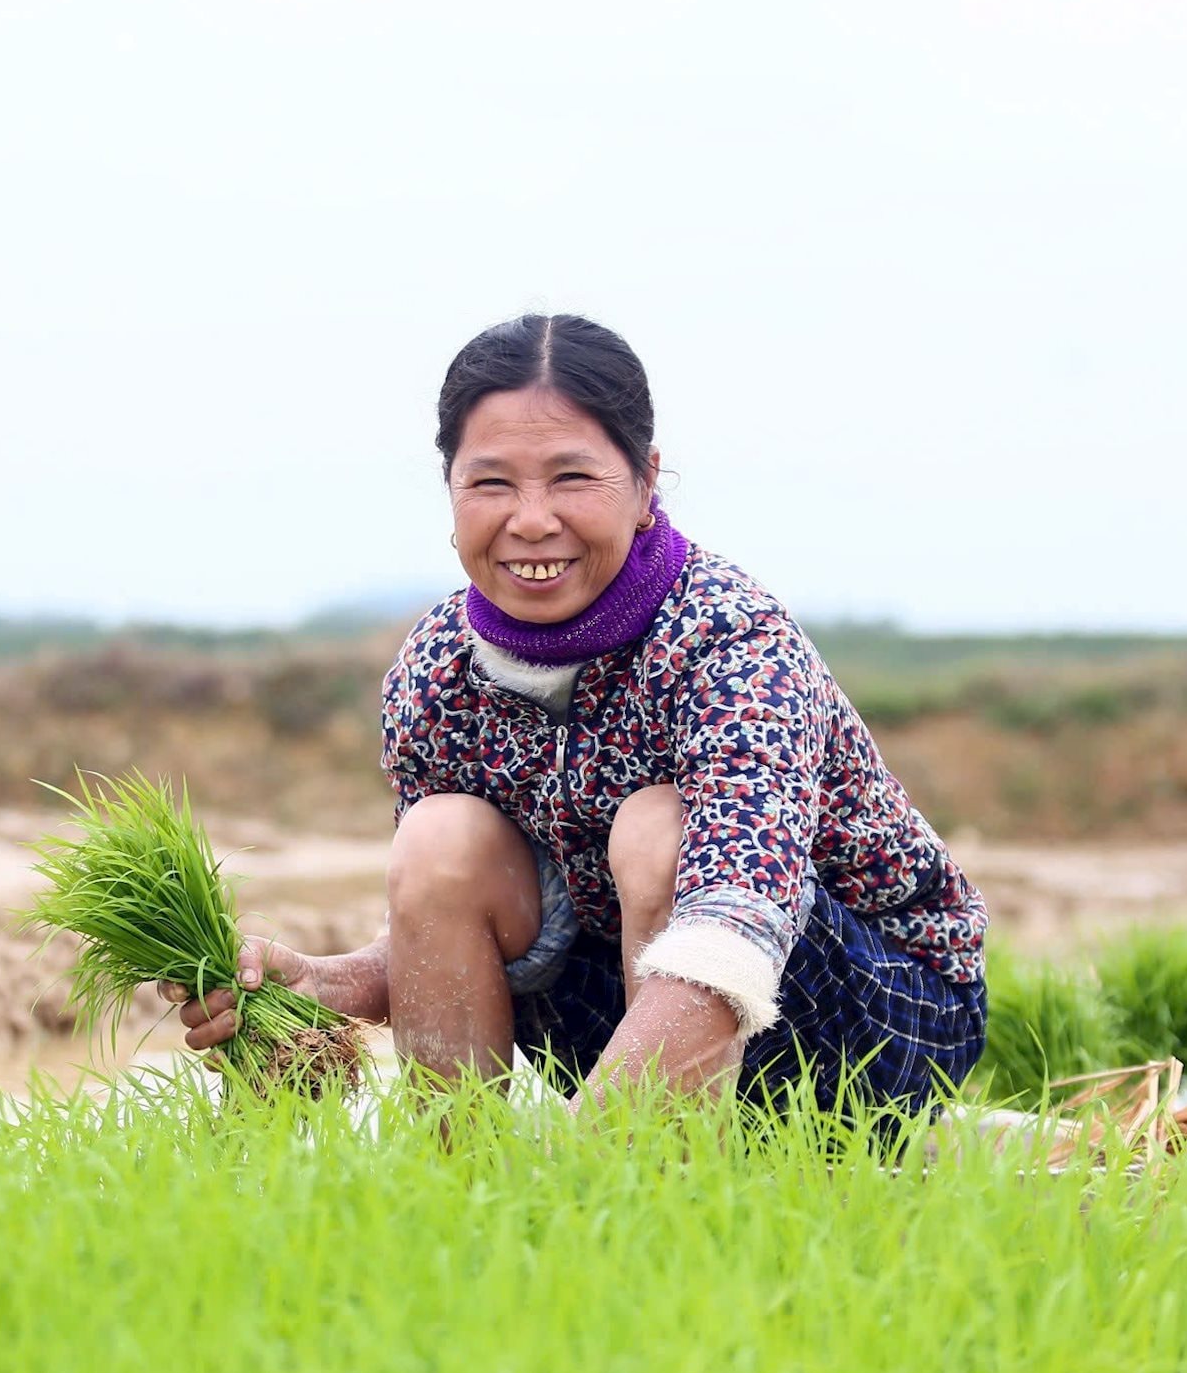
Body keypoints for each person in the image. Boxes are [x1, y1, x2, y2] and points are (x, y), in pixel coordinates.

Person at [167, 312, 990, 1127]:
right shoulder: (437, 672)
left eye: (571, 478)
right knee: (439, 839)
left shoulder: (730, 640)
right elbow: (453, 927)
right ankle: (454, 1188)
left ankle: (653, 1187)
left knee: (655, 831)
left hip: (876, 1009)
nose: (530, 520)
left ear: (644, 485)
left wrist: (582, 1153)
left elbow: (734, 924)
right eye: (491, 482)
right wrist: (323, 983)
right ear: (450, 492)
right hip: (620, 995)